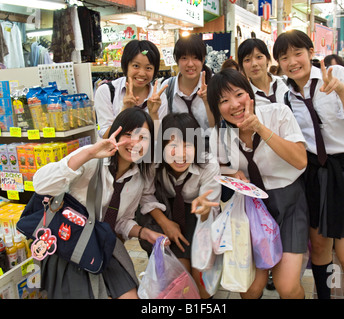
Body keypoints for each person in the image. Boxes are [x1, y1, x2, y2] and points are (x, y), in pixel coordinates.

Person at [273, 29, 344, 299]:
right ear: (279, 63)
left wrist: (342, 90)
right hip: (315, 174)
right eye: (285, 57)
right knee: (318, 248)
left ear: (310, 52)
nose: (293, 61)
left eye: (298, 53)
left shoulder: (336, 74)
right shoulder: (286, 95)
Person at [32, 108, 167, 299]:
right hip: (69, 244)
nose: (135, 143)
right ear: (116, 133)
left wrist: (143, 232)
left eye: (143, 137)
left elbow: (121, 222)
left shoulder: (139, 177)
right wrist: (89, 153)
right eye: (128, 135)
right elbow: (40, 184)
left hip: (103, 246)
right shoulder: (92, 160)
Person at [207, 68, 309, 299]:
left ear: (250, 94)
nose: (234, 105)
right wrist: (231, 174)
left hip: (289, 204)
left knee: (287, 287)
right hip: (251, 210)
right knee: (250, 288)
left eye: (239, 94)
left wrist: (259, 129)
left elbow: (300, 160)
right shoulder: (218, 136)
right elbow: (212, 171)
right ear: (217, 109)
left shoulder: (278, 113)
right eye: (224, 101)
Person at [140, 112, 221, 298]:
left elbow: (211, 206)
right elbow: (146, 195)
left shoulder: (208, 164)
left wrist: (204, 207)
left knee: (201, 283)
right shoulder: (153, 162)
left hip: (200, 217)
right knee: (180, 279)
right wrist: (165, 223)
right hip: (166, 212)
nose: (181, 155)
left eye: (188, 146)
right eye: (173, 146)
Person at [94, 40, 168, 138]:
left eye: (148, 68)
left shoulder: (159, 97)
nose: (142, 73)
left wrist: (153, 113)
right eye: (136, 66)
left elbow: (159, 139)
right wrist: (125, 110)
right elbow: (105, 135)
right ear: (126, 66)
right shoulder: (106, 91)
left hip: (146, 152)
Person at [161, 34, 215, 132]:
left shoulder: (214, 84)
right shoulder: (167, 87)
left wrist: (208, 103)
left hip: (209, 146)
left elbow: (220, 129)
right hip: (179, 146)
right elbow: (162, 128)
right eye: (184, 58)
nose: (190, 64)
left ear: (203, 59)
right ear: (176, 60)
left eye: (195, 58)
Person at [237, 38, 289, 106]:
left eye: (259, 57)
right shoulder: (246, 96)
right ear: (242, 66)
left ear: (267, 59)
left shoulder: (286, 83)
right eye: (247, 60)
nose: (254, 64)